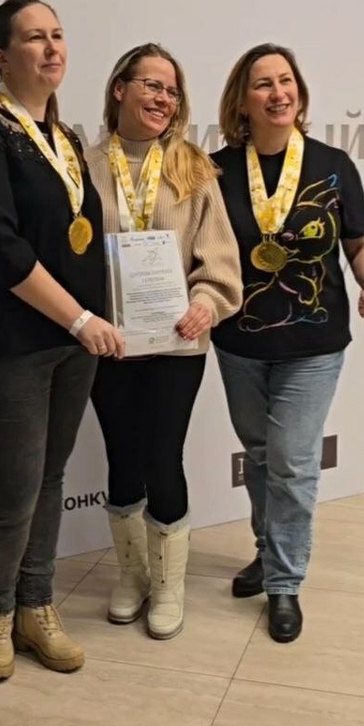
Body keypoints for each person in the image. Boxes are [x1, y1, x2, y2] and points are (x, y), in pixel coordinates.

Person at [0, 0, 123, 682]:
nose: (52, 48)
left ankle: (36, 606)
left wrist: (95, 318)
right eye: (34, 38)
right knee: (13, 487)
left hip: (72, 343)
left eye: (58, 35)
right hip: (9, 341)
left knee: (49, 478)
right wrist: (79, 318)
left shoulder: (66, 137)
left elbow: (79, 239)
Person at [211, 42, 364, 643]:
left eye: (286, 81)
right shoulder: (215, 171)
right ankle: (268, 552)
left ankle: (284, 582)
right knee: (261, 454)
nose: (278, 92)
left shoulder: (333, 164)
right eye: (263, 84)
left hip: (315, 343)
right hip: (238, 340)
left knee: (291, 459)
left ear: (299, 93)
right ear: (242, 101)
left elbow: (360, 240)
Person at [85, 43, 242, 640]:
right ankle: (132, 577)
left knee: (163, 458)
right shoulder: (83, 165)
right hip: (109, 344)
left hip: (177, 344)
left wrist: (206, 302)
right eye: (151, 85)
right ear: (119, 89)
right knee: (122, 458)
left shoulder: (192, 167)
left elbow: (218, 255)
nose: (163, 99)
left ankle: (169, 585)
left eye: (172, 91)